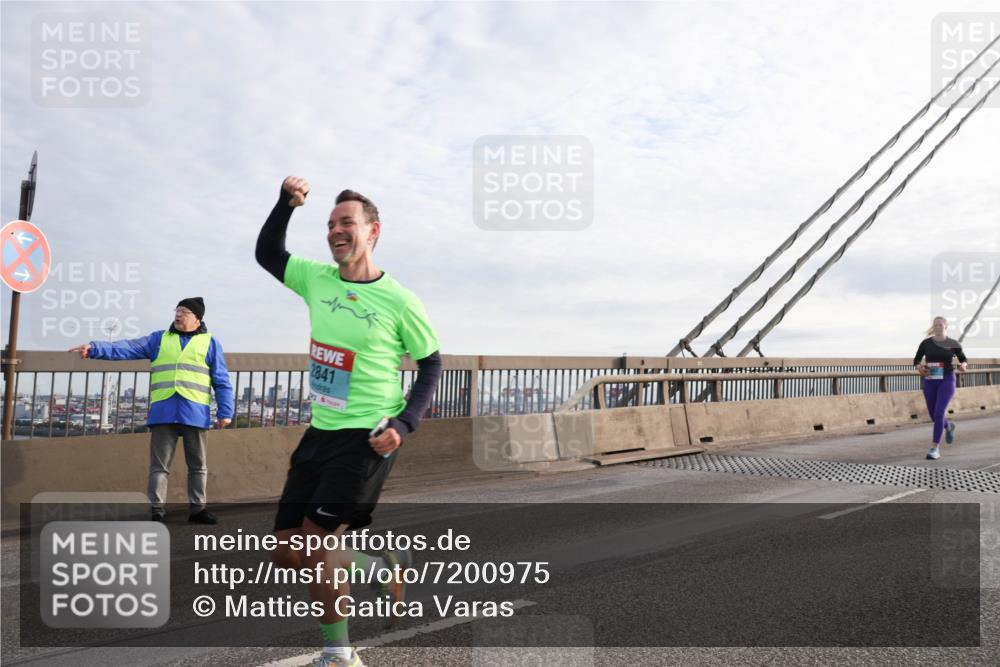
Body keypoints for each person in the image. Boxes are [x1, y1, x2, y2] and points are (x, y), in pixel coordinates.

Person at [256, 176, 442, 667]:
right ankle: (379, 567)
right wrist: (284, 204)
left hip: (368, 438)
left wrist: (404, 425)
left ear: (373, 231)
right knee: (287, 553)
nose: (337, 231)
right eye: (331, 224)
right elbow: (267, 253)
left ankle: (340, 654)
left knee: (318, 549)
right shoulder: (316, 278)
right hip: (320, 432)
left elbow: (431, 366)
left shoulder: (400, 301)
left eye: (347, 223)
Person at [70, 298, 234, 523]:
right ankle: (155, 510)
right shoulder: (159, 339)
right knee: (159, 466)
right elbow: (127, 347)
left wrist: (225, 412)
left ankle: (198, 510)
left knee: (197, 465)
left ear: (197, 318)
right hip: (164, 411)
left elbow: (221, 380)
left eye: (184, 312)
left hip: (194, 412)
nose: (178, 315)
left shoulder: (210, 343)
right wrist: (94, 348)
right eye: (176, 310)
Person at [913, 316, 968, 461]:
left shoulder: (953, 343)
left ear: (946, 327)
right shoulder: (926, 343)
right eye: (935, 325)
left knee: (939, 413)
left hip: (947, 379)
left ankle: (934, 448)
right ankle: (948, 426)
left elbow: (963, 359)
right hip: (930, 379)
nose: (938, 327)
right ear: (933, 327)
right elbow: (916, 359)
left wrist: (963, 366)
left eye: (940, 325)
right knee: (933, 416)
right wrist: (919, 367)